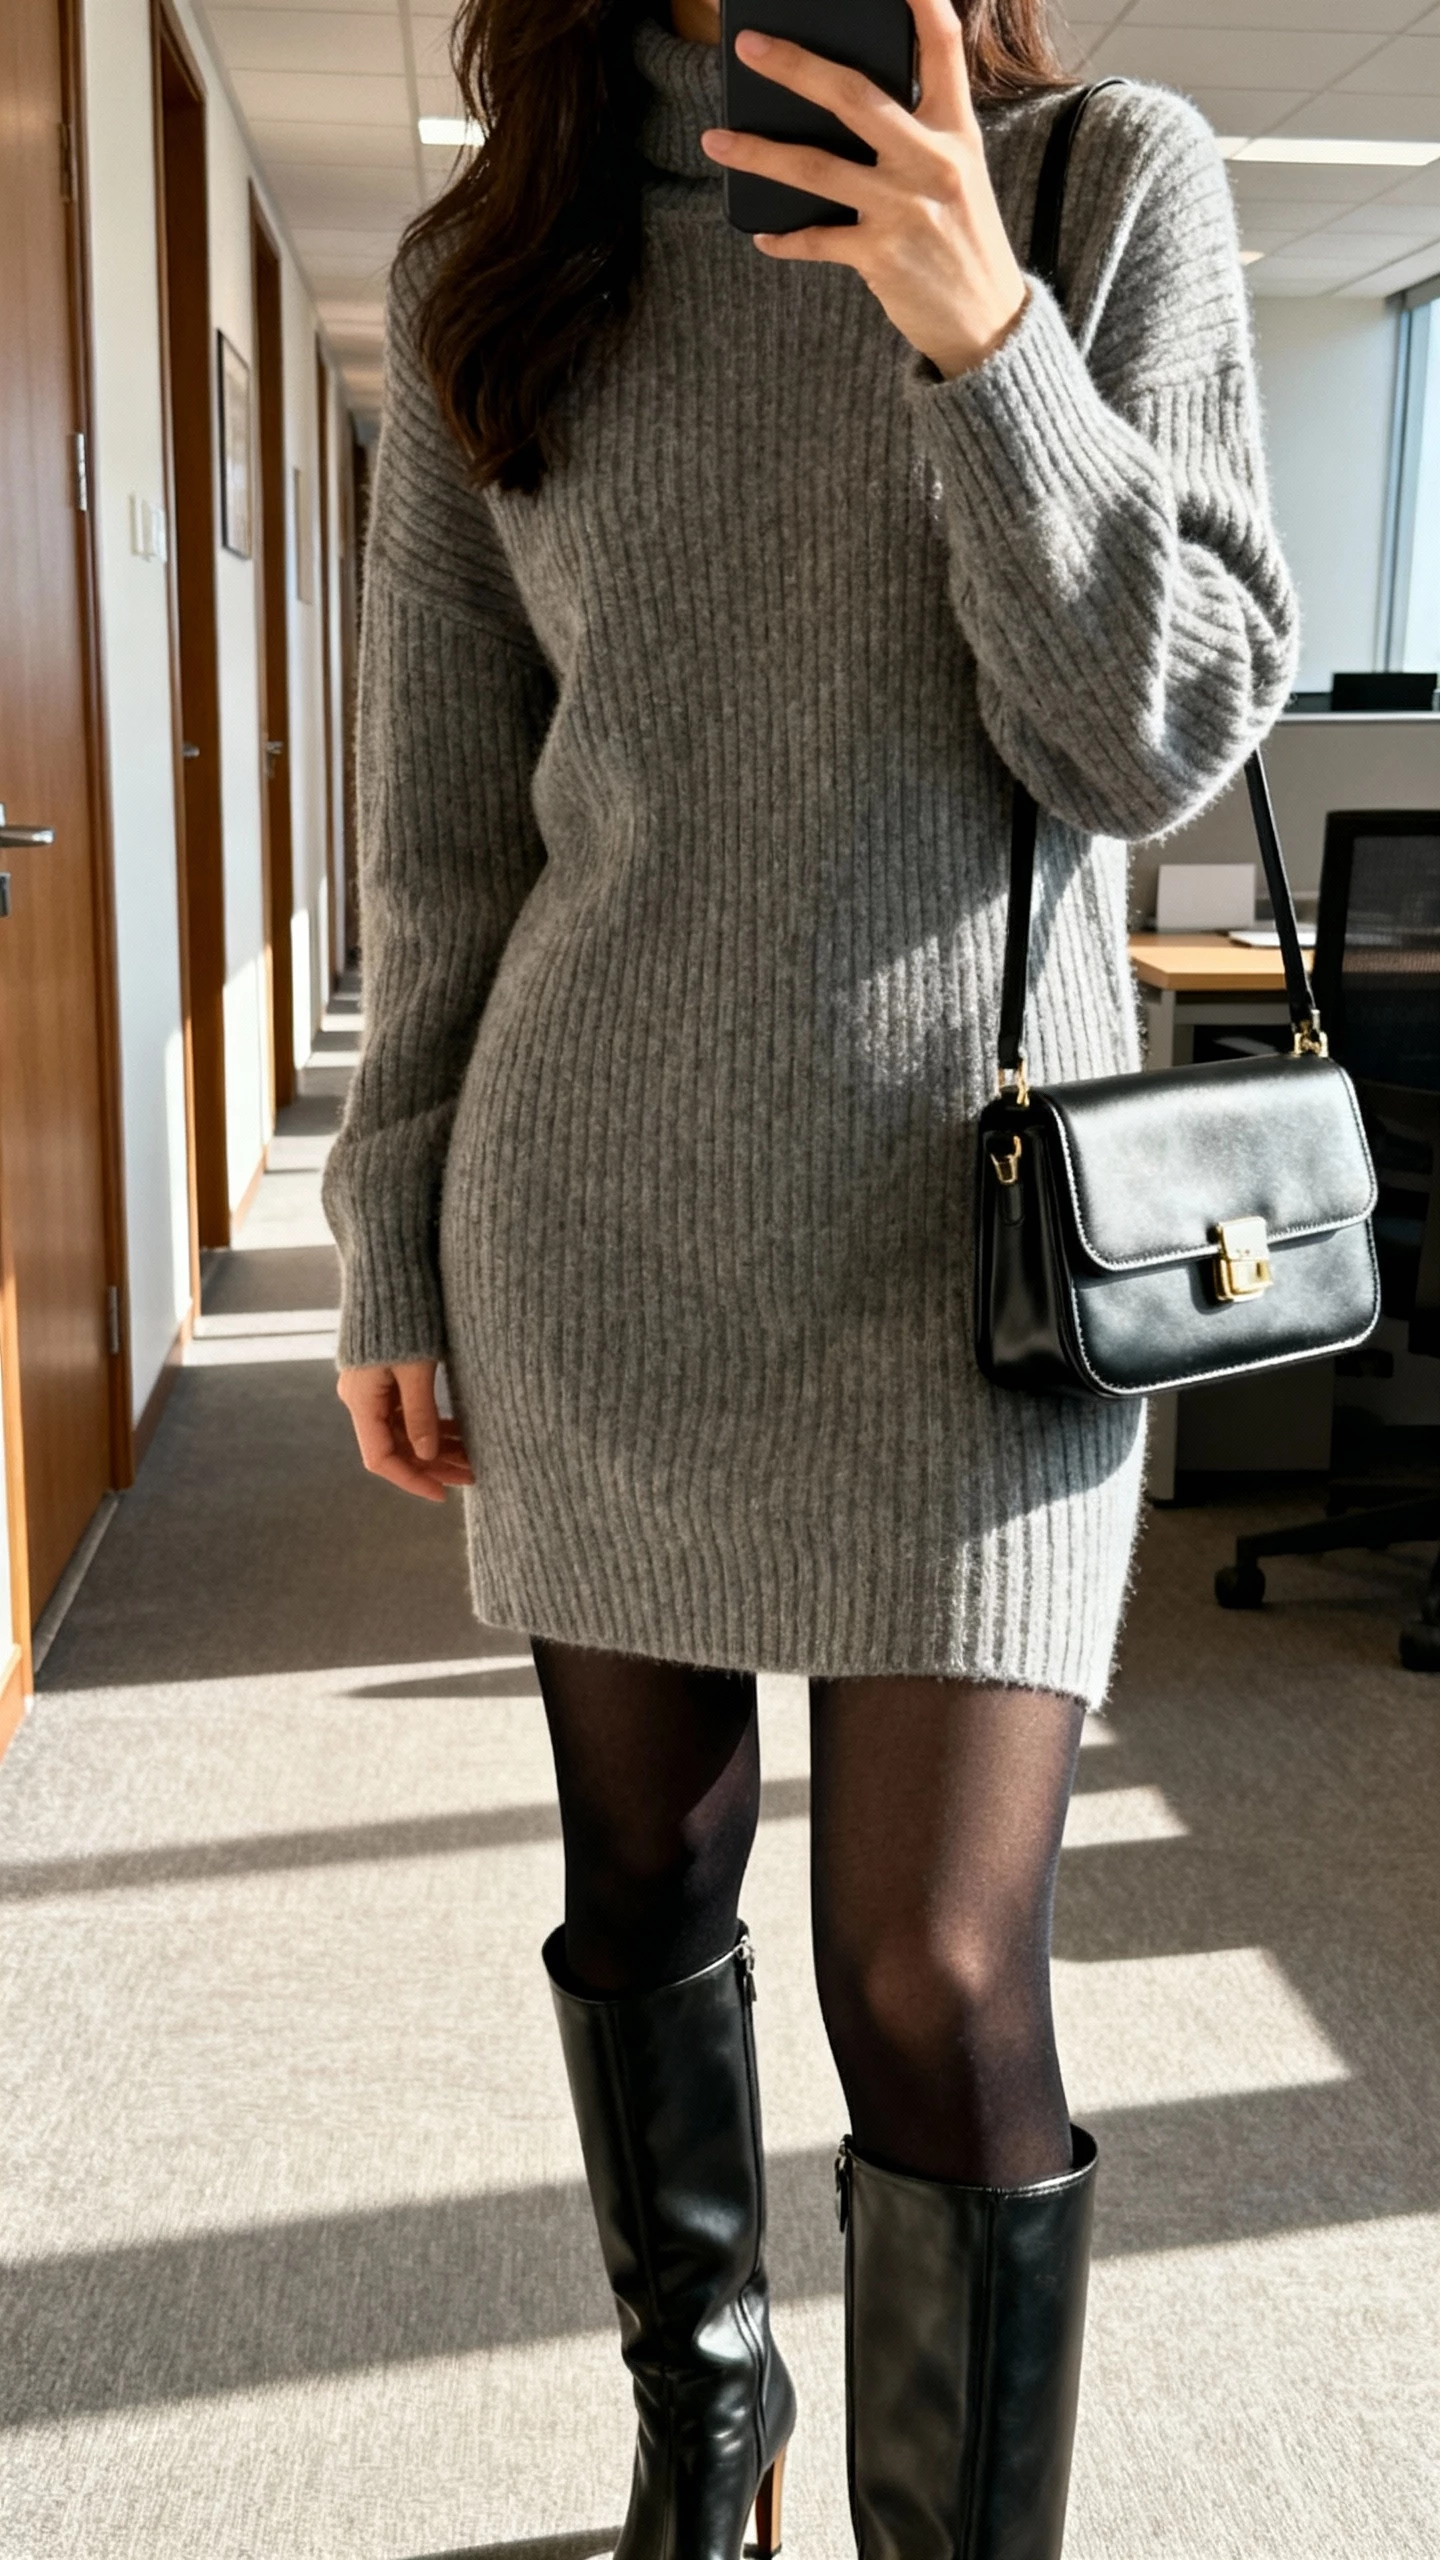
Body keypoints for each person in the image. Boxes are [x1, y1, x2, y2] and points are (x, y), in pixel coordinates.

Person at [323, 0, 1296, 2551]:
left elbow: (1156, 739)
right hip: (594, 1225)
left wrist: (989, 344)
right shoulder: (494, 258)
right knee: (643, 1882)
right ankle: (708, 2413)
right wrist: (386, 1227)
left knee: (935, 1978)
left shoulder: (1103, 187)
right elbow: (445, 828)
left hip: (971, 1257)